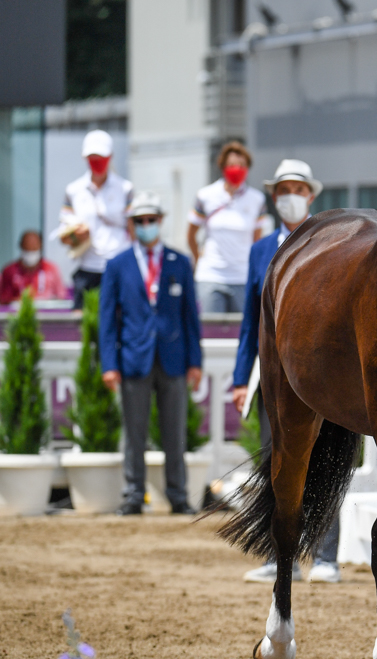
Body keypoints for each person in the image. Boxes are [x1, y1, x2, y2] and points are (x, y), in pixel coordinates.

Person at [230, 160, 338, 584]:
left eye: (296, 189)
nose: (288, 197)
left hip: (320, 374)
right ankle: (281, 556)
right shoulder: (261, 250)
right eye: (281, 190)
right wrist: (241, 378)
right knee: (277, 461)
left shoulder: (328, 240)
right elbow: (247, 321)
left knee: (327, 458)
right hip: (273, 374)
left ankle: (326, 556)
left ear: (310, 194)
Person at [99, 192, 202, 516]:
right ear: (131, 225)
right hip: (133, 358)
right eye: (140, 221)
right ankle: (133, 494)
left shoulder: (179, 261)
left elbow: (190, 316)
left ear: (160, 222)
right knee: (134, 431)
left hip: (173, 357)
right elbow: (107, 319)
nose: (146, 226)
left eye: (151, 220)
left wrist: (195, 361)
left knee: (175, 431)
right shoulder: (117, 265)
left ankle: (178, 494)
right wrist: (109, 364)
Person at [188, 141, 266, 313]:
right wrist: (198, 258)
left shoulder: (257, 199)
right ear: (222, 167)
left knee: (243, 331)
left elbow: (257, 241)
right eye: (231, 165)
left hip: (242, 277)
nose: (236, 169)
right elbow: (191, 234)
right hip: (211, 275)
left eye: (241, 165)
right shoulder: (206, 195)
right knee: (211, 333)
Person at [58, 129, 133, 308]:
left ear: (111, 157)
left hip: (118, 267)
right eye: (93, 158)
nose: (97, 163)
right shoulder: (73, 190)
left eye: (101, 158)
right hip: (87, 268)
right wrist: (77, 235)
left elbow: (134, 230)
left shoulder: (125, 189)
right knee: (83, 326)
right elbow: (63, 236)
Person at [1, 230, 67, 304]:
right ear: (20, 246)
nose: (30, 252)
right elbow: (3, 300)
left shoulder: (52, 269)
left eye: (34, 249)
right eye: (27, 249)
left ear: (41, 246)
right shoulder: (9, 271)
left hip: (46, 313)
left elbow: (61, 298)